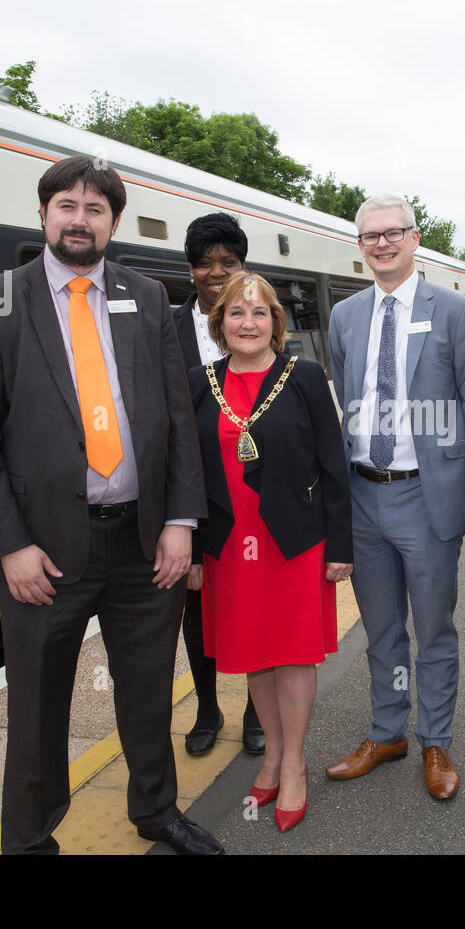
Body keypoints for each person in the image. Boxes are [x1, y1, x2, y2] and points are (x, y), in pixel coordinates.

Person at [0, 156, 222, 854]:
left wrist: (179, 522)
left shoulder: (147, 297)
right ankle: (29, 839)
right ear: (44, 214)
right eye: (67, 206)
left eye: (95, 209)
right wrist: (8, 545)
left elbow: (176, 420)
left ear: (113, 221)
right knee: (37, 708)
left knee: (146, 692)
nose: (80, 219)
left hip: (141, 544)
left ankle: (156, 812)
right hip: (43, 552)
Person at [326, 194, 465, 800]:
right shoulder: (345, 316)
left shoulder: (453, 311)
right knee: (381, 628)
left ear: (414, 237)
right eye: (371, 236)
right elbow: (349, 397)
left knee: (434, 626)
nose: (382, 244)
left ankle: (436, 741)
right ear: (361, 245)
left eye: (392, 233)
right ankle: (387, 730)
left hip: (425, 498)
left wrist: (438, 461)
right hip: (363, 497)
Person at [187, 272, 352, 832]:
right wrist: (188, 547)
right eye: (237, 313)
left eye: (259, 313)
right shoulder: (200, 381)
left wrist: (340, 544)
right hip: (228, 544)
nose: (248, 323)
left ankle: (295, 763)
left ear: (274, 322)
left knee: (293, 650)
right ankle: (274, 756)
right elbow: (185, 471)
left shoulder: (302, 377)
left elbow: (333, 464)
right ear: (220, 322)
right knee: (254, 651)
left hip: (294, 541)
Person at [171, 212, 264, 758]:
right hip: (189, 495)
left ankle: (258, 709)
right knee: (196, 606)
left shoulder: (255, 327)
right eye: (205, 263)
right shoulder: (165, 327)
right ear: (189, 270)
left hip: (250, 495)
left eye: (228, 262)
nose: (216, 271)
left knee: (253, 602)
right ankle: (208, 706)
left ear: (242, 267)